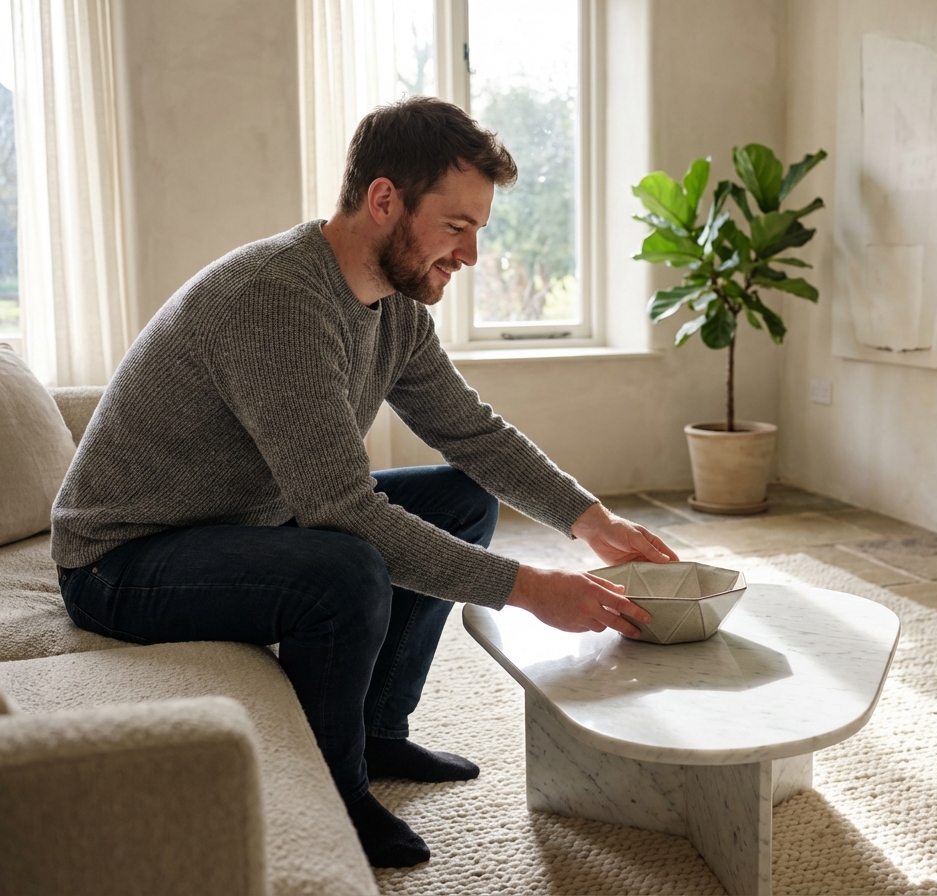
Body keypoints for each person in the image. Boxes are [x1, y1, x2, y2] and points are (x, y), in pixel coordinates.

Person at [50, 96, 678, 869]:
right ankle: (337, 790)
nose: (472, 256)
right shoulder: (279, 298)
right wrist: (529, 589)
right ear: (385, 200)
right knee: (344, 566)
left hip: (239, 524)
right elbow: (341, 508)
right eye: (456, 227)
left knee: (460, 497)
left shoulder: (394, 307)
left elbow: (471, 433)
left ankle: (381, 733)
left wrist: (591, 521)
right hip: (122, 560)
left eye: (479, 230)